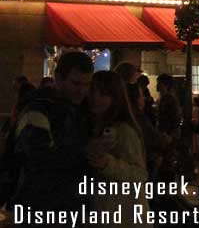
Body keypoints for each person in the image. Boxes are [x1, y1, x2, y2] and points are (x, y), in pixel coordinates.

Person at [10, 51, 93, 214]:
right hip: (41, 206)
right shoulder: (38, 110)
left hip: (67, 205)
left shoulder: (79, 111)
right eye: (76, 84)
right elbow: (38, 159)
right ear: (59, 78)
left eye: (87, 84)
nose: (82, 91)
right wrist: (86, 152)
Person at [86, 70, 150, 225]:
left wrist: (107, 163)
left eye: (104, 94)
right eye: (94, 92)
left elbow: (140, 174)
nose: (96, 99)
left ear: (116, 98)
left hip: (124, 214)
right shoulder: (95, 125)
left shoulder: (123, 130)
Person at [126, 82, 160, 180]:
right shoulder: (139, 119)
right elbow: (151, 139)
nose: (144, 98)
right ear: (135, 99)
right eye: (141, 96)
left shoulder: (134, 117)